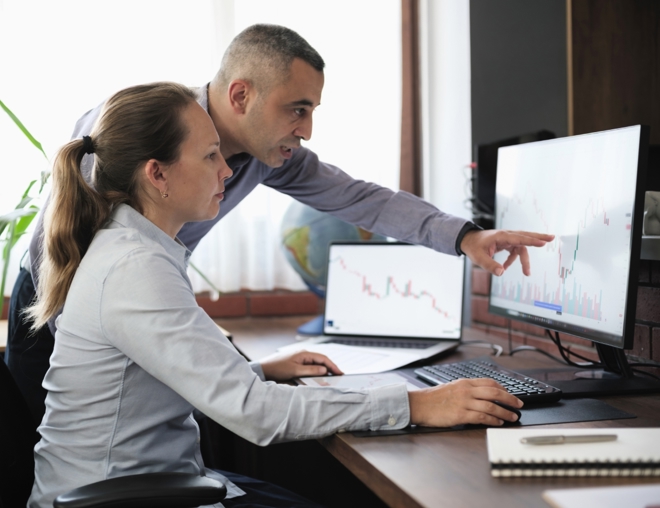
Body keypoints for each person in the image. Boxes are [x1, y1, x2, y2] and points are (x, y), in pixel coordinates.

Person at [6, 23, 553, 424]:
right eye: (297, 109)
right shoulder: (143, 130)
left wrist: (465, 236)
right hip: (54, 306)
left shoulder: (266, 156)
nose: (308, 130)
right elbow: (83, 279)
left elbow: (359, 197)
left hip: (138, 319)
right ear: (241, 95)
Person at [27, 81, 525, 508]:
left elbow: (154, 376)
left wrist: (261, 369)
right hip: (126, 496)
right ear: (156, 175)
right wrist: (417, 405)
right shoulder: (136, 267)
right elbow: (256, 414)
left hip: (151, 483)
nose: (228, 171)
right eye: (209, 156)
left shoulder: (137, 247)